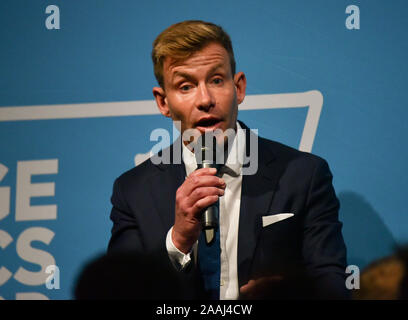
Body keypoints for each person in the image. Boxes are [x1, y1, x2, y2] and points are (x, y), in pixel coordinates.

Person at [107, 20, 349, 300]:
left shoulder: (304, 175)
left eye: (216, 80)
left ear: (239, 87)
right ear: (163, 102)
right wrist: (179, 241)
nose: (205, 99)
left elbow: (332, 285)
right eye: (185, 86)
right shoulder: (133, 192)